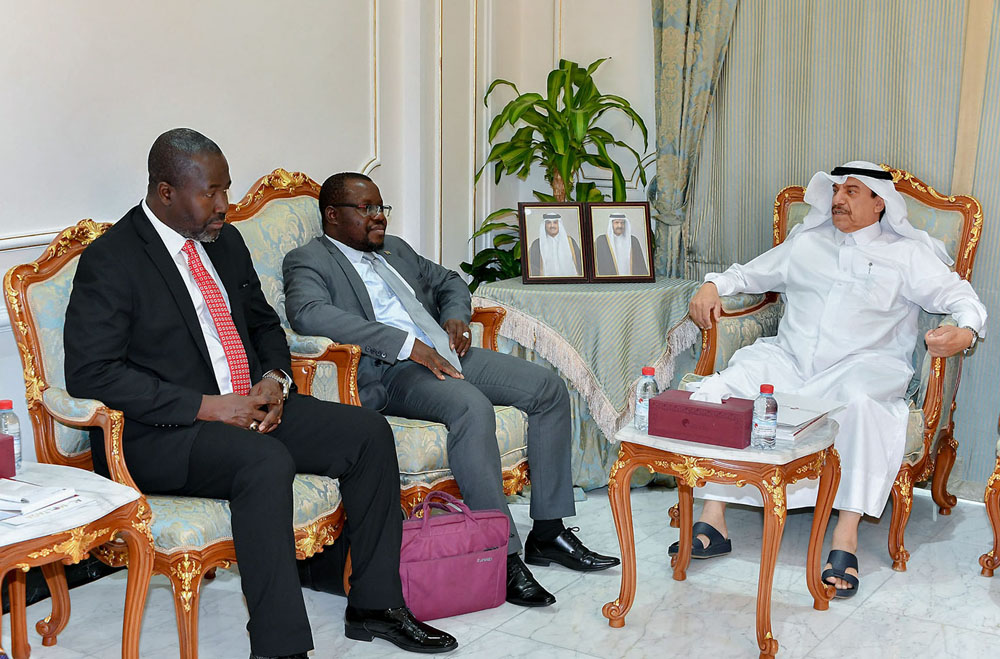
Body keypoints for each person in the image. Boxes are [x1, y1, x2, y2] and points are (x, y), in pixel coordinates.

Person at [63, 129, 457, 659]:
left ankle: (375, 604)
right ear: (164, 193)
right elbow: (93, 374)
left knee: (366, 432)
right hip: (163, 432)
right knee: (263, 462)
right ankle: (279, 646)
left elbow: (265, 325)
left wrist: (274, 381)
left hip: (248, 405)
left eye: (226, 188)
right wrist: (210, 407)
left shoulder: (224, 241)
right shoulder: (113, 259)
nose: (225, 205)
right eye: (211, 193)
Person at [282, 172, 621, 609]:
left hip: (446, 352)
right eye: (366, 209)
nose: (378, 218)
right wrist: (406, 345)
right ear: (333, 215)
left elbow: (449, 281)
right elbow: (309, 315)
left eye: (380, 208)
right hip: (393, 370)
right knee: (471, 407)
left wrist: (456, 316)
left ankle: (549, 531)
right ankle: (503, 555)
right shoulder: (309, 259)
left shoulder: (395, 249)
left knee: (548, 388)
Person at [683, 161, 987, 598]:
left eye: (852, 192)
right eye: (837, 191)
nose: (839, 200)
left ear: (880, 203)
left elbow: (961, 297)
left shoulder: (907, 254)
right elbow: (749, 273)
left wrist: (965, 330)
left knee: (861, 402)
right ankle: (714, 516)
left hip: (864, 365)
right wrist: (714, 284)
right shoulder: (807, 243)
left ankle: (845, 535)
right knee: (737, 379)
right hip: (792, 361)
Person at [527, 211, 583, 276]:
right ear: (544, 225)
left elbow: (580, 263)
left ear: (559, 224)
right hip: (546, 283)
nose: (552, 226)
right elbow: (533, 267)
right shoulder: (537, 244)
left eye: (555, 222)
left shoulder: (570, 242)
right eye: (548, 223)